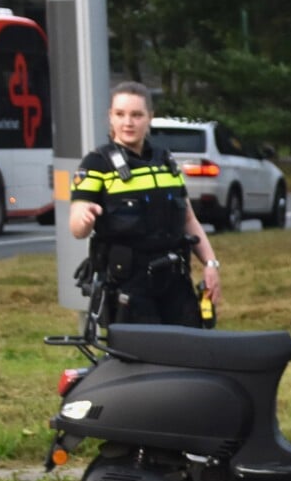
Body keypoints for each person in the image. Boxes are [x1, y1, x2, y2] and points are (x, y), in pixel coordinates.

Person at [70, 83, 222, 326]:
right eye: (120, 114)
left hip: (175, 281)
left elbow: (189, 220)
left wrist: (211, 264)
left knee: (192, 350)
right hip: (129, 286)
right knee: (142, 359)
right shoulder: (97, 163)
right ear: (110, 116)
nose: (128, 122)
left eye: (136, 115)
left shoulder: (165, 161)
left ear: (150, 118)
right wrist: (84, 219)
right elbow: (77, 226)